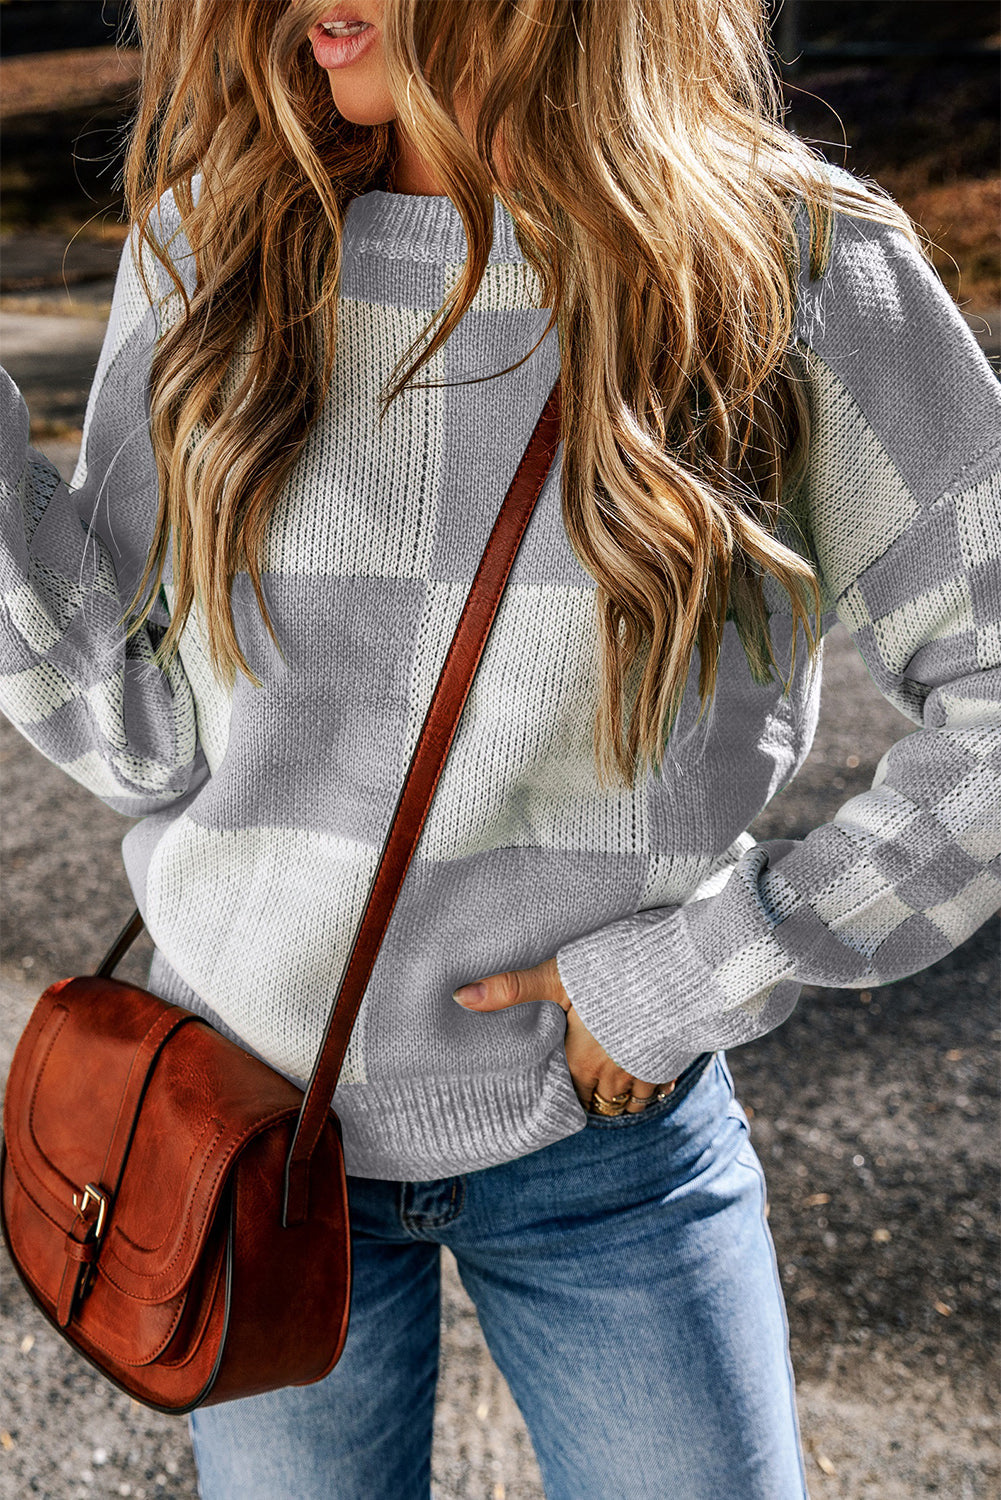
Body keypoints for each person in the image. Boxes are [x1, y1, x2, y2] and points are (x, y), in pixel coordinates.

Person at [1, 0, 998, 1495]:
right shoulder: (214, 250)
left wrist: (703, 968)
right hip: (239, 1136)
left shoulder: (789, 268)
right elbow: (143, 737)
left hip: (607, 1147)